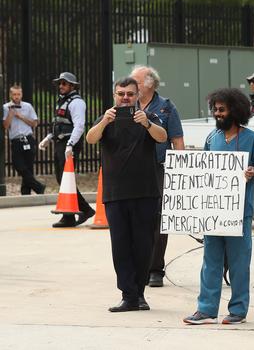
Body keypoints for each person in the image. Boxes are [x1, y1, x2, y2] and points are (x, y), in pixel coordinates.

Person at [183, 88, 254, 325]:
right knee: (210, 261)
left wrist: (253, 171)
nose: (218, 114)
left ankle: (238, 310)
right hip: (214, 212)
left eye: (222, 109)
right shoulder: (212, 138)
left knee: (239, 263)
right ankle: (206, 309)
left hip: (240, 212)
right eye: (215, 110)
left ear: (235, 110)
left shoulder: (251, 138)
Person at [86, 77, 167, 312]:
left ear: (137, 95)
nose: (125, 98)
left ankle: (139, 294)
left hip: (145, 192)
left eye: (130, 94)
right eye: (121, 93)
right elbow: (91, 138)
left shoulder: (147, 117)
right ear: (115, 95)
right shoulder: (106, 118)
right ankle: (128, 295)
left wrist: (147, 125)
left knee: (143, 244)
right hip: (115, 193)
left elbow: (162, 136)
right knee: (120, 245)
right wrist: (103, 123)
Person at [130, 65, 185, 288]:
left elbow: (178, 141)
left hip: (160, 169)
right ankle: (138, 266)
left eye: (137, 82)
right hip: (133, 171)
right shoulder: (127, 106)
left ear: (150, 84)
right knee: (135, 219)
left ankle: (155, 268)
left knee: (159, 220)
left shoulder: (166, 108)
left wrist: (180, 173)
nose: (132, 85)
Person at [39, 72, 95, 227]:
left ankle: (73, 215)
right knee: (62, 179)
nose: (61, 86)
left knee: (65, 179)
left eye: (64, 83)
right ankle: (79, 212)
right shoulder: (62, 101)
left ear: (72, 86)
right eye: (60, 83)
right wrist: (48, 138)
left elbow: (79, 126)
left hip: (69, 144)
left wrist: (70, 144)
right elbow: (60, 124)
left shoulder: (77, 103)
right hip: (60, 143)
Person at [3, 84, 46, 195]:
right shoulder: (5, 107)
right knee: (18, 165)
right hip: (16, 141)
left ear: (21, 95)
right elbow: (5, 126)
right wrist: (11, 115)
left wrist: (21, 116)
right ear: (10, 95)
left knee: (28, 167)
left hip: (28, 139)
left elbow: (35, 123)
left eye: (18, 94)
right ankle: (39, 187)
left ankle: (25, 194)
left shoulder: (27, 106)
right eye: (14, 94)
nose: (16, 96)